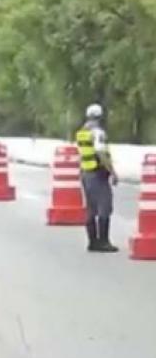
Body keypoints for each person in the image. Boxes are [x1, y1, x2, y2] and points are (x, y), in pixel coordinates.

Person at [77, 103, 119, 253]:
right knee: (104, 207)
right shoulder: (98, 133)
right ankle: (103, 241)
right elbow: (101, 154)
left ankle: (92, 242)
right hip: (98, 173)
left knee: (90, 208)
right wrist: (112, 172)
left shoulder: (82, 132)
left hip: (85, 173)